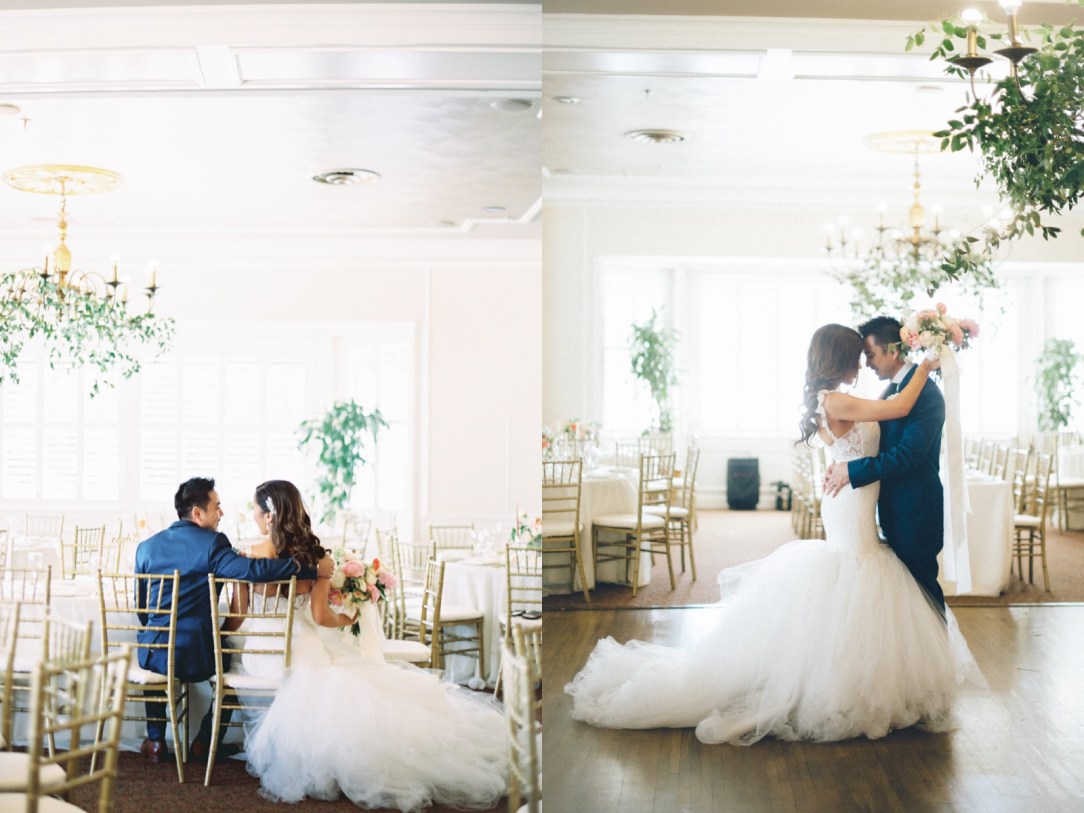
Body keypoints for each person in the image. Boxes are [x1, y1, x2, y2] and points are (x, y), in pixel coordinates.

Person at [565, 324, 982, 746]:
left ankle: (846, 676)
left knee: (856, 578)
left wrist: (925, 362)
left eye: (867, 355)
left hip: (852, 499)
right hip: (850, 502)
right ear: (838, 359)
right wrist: (928, 361)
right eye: (856, 357)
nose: (862, 363)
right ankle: (843, 684)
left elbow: (894, 416)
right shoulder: (840, 399)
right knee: (858, 573)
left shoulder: (838, 398)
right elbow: (896, 410)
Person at [235, 480, 508, 811]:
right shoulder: (316, 558)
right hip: (304, 647)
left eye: (254, 509)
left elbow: (239, 612)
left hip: (264, 653)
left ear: (268, 516)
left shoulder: (250, 553)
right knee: (336, 678)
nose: (252, 515)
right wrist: (346, 621)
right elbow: (321, 617)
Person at [135, 476, 334, 765]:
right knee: (228, 658)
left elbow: (141, 610)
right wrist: (309, 567)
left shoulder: (146, 547)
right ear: (198, 513)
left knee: (154, 650)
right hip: (199, 657)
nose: (222, 513)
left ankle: (155, 740)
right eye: (217, 507)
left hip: (154, 653)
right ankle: (205, 739)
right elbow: (254, 571)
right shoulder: (213, 543)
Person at [823, 315, 947, 614]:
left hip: (915, 508)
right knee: (901, 601)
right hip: (888, 507)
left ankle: (936, 659)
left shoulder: (925, 394)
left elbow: (908, 455)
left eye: (870, 354)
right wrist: (843, 461)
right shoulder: (894, 391)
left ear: (892, 351)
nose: (866, 363)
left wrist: (851, 470)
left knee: (923, 593)